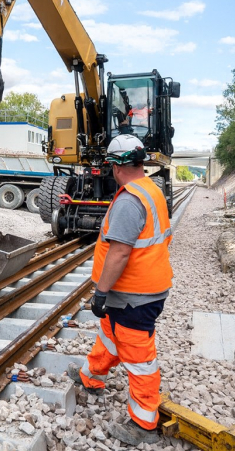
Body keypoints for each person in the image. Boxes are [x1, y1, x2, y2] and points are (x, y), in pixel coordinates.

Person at [67, 134, 173, 446]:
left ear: (114, 167)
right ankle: (91, 376)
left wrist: (101, 292)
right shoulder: (150, 189)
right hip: (137, 289)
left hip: (134, 295)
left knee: (139, 359)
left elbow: (120, 252)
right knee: (109, 334)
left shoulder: (128, 200)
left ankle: (143, 422)